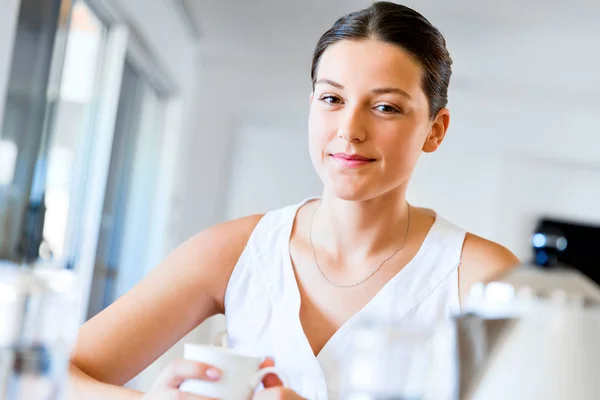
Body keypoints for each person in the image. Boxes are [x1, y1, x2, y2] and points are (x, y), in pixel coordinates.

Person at [67, 2, 520, 399]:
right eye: (332, 98)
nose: (349, 129)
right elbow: (59, 372)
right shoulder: (235, 252)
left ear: (434, 130)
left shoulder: (484, 281)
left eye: (385, 107)